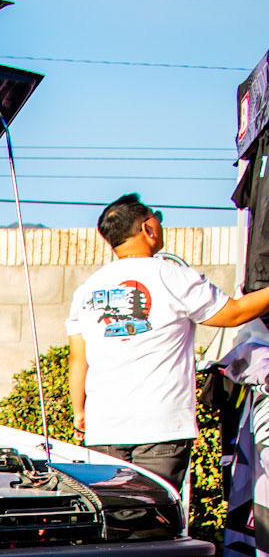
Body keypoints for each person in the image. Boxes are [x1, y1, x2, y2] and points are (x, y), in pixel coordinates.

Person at [66, 193, 269, 492]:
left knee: (116, 513)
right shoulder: (172, 276)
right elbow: (235, 313)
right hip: (160, 428)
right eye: (157, 217)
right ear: (147, 228)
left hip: (104, 429)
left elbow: (78, 359)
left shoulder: (87, 289)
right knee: (155, 513)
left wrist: (80, 413)